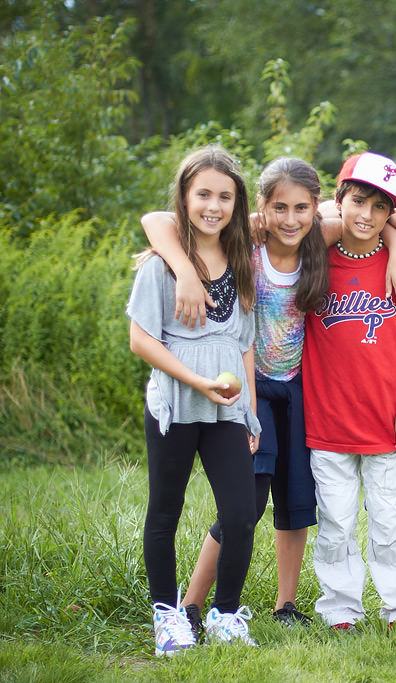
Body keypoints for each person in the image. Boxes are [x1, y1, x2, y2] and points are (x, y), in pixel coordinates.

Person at [141, 157, 330, 635]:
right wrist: (184, 269)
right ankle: (183, 608)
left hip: (276, 393)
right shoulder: (239, 244)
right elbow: (158, 220)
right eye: (279, 208)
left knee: (276, 502)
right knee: (216, 503)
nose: (290, 218)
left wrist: (395, 237)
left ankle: (264, 609)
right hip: (218, 395)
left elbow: (374, 217)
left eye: (301, 208)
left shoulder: (303, 242)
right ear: (262, 209)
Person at [127, 145, 261, 655]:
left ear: (236, 203)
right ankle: (167, 616)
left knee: (241, 513)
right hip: (177, 407)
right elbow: (143, 341)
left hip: (227, 409)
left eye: (225, 196)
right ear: (183, 198)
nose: (213, 205)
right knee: (165, 510)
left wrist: (248, 410)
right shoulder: (162, 267)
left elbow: (244, 341)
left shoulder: (242, 262)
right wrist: (196, 382)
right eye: (203, 193)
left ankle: (226, 615)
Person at [302, 151, 396, 632]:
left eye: (380, 208)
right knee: (336, 523)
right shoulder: (314, 256)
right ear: (338, 200)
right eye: (357, 201)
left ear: (392, 215)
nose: (366, 215)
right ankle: (340, 608)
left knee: (388, 523)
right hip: (329, 419)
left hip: (386, 420)